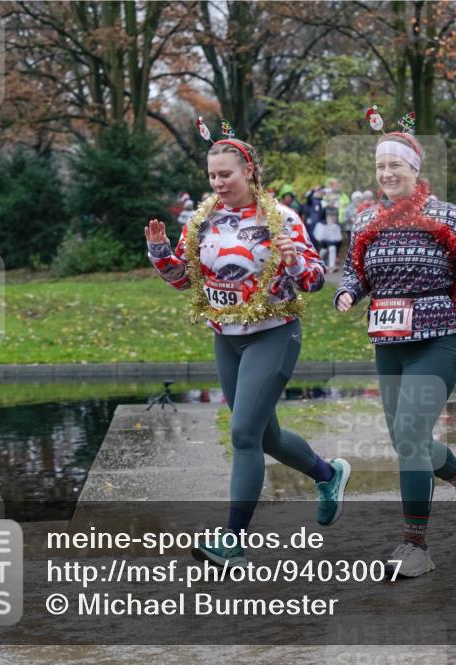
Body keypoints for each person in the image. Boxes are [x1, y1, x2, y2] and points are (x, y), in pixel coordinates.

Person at [144, 136, 350, 567]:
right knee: (266, 437)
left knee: (242, 434)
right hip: (226, 337)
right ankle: (329, 474)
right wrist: (160, 252)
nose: (217, 183)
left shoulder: (281, 218)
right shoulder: (202, 220)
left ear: (248, 171)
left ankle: (232, 541)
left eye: (225, 174)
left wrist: (294, 262)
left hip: (273, 335)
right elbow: (183, 280)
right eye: (212, 176)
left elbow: (314, 280)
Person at [335, 130, 456, 579]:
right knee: (407, 441)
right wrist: (347, 292)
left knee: (410, 435)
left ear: (415, 169)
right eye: (380, 166)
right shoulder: (366, 220)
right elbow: (355, 271)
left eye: (395, 165)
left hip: (438, 339)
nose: (387, 174)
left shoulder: (449, 216)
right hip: (389, 343)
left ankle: (415, 545)